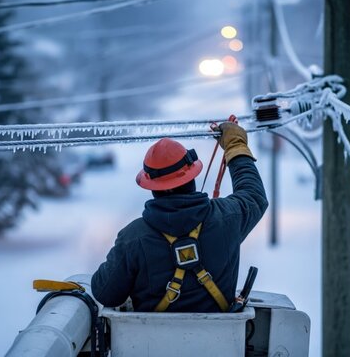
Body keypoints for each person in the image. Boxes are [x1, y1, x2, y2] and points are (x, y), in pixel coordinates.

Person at [91, 122, 267, 312]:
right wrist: (236, 146)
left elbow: (105, 293)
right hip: (223, 339)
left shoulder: (133, 237)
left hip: (148, 341)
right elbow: (254, 196)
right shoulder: (227, 217)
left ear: (151, 186)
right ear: (191, 176)